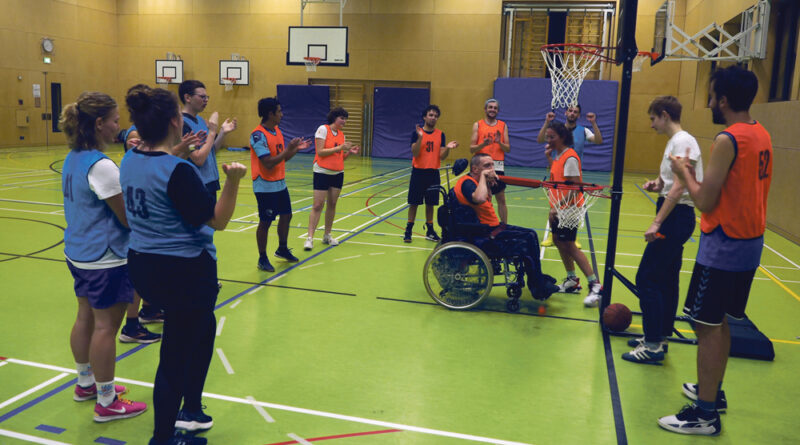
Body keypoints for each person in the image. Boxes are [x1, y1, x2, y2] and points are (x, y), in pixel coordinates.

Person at [121, 87, 247, 445]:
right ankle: (163, 437)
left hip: (144, 265)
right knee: (174, 356)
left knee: (203, 329)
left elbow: (157, 163)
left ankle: (191, 408)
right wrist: (234, 182)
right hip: (184, 271)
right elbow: (217, 221)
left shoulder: (130, 159)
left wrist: (179, 150)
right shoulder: (178, 172)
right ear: (176, 121)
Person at [658, 66, 772, 436]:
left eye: (710, 96)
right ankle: (712, 392)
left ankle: (704, 413)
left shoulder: (728, 139)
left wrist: (683, 171)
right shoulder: (760, 133)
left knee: (705, 326)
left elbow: (705, 201)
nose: (708, 102)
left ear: (722, 100)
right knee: (718, 321)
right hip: (749, 241)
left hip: (724, 244)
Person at [60, 91, 147, 422]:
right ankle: (107, 401)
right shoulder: (102, 166)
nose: (119, 126)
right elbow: (126, 218)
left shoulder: (75, 157)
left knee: (85, 316)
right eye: (114, 120)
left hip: (80, 253)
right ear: (99, 124)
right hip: (106, 257)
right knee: (106, 327)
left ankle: (86, 382)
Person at [622, 96, 703, 364]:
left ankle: (654, 343)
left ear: (665, 115)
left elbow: (681, 186)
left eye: (653, 118)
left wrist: (657, 222)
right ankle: (659, 335)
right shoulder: (676, 142)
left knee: (647, 278)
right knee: (666, 278)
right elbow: (672, 181)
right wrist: (657, 184)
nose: (651, 124)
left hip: (675, 216)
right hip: (677, 215)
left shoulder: (682, 141)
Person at [453, 154, 557, 300]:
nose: (492, 169)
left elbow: (484, 200)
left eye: (492, 165)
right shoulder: (467, 183)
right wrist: (484, 178)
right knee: (528, 238)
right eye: (487, 166)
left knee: (531, 235)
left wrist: (487, 183)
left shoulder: (477, 182)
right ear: (475, 169)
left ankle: (537, 279)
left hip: (492, 228)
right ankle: (537, 285)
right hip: (484, 234)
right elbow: (479, 198)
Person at [544, 121, 602, 307]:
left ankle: (595, 284)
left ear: (562, 137)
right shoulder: (558, 156)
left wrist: (558, 206)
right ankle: (572, 280)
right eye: (548, 136)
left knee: (569, 245)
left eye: (552, 136)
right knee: (559, 242)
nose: (548, 139)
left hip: (569, 209)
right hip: (559, 208)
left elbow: (576, 187)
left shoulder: (570, 157)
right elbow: (557, 179)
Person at [250, 97, 310, 272]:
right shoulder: (258, 135)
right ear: (271, 114)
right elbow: (268, 162)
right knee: (266, 221)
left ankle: (282, 248)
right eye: (279, 111)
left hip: (280, 184)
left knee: (287, 215)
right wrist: (287, 150)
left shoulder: (277, 131)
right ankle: (262, 258)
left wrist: (293, 150)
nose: (282, 115)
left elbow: (283, 159)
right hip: (265, 186)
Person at [537, 104, 602, 247]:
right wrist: (547, 122)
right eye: (570, 111)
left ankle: (574, 237)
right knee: (554, 202)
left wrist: (593, 123)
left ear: (579, 115)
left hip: (573, 172)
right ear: (566, 112)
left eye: (576, 112)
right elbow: (540, 139)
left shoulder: (583, 130)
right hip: (556, 169)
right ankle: (552, 235)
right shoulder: (557, 130)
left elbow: (598, 140)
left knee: (573, 203)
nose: (572, 114)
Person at [304, 107, 359, 250]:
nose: (344, 121)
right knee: (317, 205)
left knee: (332, 204)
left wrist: (349, 153)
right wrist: (340, 147)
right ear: (334, 118)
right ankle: (309, 237)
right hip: (322, 171)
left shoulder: (342, 135)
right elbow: (320, 152)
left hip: (337, 173)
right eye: (342, 118)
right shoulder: (323, 129)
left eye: (346, 119)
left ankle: (327, 235)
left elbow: (339, 157)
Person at [404, 104, 458, 243]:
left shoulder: (440, 134)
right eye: (431, 115)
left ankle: (430, 229)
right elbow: (415, 153)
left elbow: (442, 156)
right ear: (424, 117)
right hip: (418, 172)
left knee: (430, 203)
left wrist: (448, 148)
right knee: (414, 203)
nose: (433, 118)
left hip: (433, 173)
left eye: (435, 116)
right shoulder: (417, 132)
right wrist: (421, 137)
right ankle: (408, 229)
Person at [179, 80, 237, 199]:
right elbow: (198, 159)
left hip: (210, 182)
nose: (206, 100)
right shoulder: (183, 125)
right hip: (196, 185)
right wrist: (212, 132)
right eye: (202, 97)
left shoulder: (200, 120)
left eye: (207, 97)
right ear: (188, 97)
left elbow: (210, 151)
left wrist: (222, 133)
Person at [470, 99, 510, 224]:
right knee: (482, 198)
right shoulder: (478, 125)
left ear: (497, 111)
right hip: (481, 166)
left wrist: (499, 142)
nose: (492, 109)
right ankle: (483, 223)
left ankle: (504, 225)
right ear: (485, 109)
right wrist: (483, 144)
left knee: (501, 199)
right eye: (490, 107)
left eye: (495, 108)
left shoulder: (502, 125)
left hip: (497, 165)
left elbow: (507, 148)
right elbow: (472, 149)